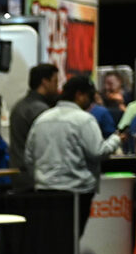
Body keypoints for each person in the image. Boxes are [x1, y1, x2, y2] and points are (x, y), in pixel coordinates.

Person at [26, 76, 123, 239]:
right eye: (90, 97)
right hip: (76, 193)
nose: (91, 103)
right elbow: (98, 152)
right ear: (80, 95)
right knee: (71, 241)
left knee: (50, 242)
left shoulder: (42, 119)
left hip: (43, 191)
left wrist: (41, 178)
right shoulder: (84, 120)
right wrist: (116, 139)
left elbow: (29, 156)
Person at [9, 64, 60, 193]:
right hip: (34, 178)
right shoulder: (40, 110)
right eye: (55, 81)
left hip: (20, 175)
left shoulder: (19, 106)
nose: (57, 86)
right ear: (44, 82)